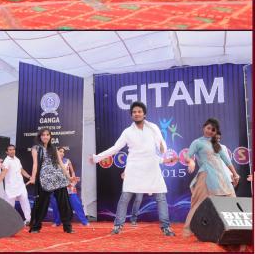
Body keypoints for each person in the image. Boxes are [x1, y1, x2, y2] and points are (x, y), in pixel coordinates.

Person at [91, 101, 173, 236]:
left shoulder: (153, 127)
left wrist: (163, 149)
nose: (136, 114)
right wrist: (97, 158)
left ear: (144, 114)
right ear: (131, 115)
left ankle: (166, 227)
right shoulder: (127, 132)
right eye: (134, 112)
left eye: (139, 111)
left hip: (152, 167)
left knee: (161, 197)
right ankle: (118, 226)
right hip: (134, 169)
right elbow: (115, 148)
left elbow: (161, 145)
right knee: (125, 198)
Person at [183, 118, 240, 236]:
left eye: (213, 130)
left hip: (222, 177)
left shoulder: (216, 145)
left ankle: (235, 230)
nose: (210, 131)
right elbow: (188, 156)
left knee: (231, 201)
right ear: (204, 127)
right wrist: (191, 162)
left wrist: (235, 174)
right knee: (199, 203)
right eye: (208, 128)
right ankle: (189, 229)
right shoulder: (197, 142)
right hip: (206, 176)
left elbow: (227, 161)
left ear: (216, 132)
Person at [27, 129, 72, 233]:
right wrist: (33, 177)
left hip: (58, 177)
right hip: (44, 179)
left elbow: (61, 164)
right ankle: (36, 227)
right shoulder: (36, 148)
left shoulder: (54, 148)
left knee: (64, 202)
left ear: (50, 137)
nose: (45, 137)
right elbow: (35, 164)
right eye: (43, 135)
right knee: (41, 203)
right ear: (40, 136)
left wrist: (69, 177)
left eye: (47, 135)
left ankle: (67, 227)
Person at [0, 144, 32, 224]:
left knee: (25, 202)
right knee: (9, 206)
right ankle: (7, 222)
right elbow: (3, 173)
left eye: (13, 149)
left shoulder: (17, 159)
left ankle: (28, 220)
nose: (12, 151)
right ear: (7, 152)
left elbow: (21, 170)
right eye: (10, 150)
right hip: (11, 187)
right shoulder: (6, 161)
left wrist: (29, 177)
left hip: (21, 186)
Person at [57, 146, 89, 226]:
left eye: (63, 152)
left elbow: (73, 172)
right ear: (56, 152)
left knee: (76, 203)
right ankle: (57, 222)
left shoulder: (67, 160)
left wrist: (73, 181)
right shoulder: (53, 162)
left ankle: (84, 221)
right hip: (59, 186)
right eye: (60, 151)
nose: (62, 153)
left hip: (69, 185)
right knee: (58, 204)